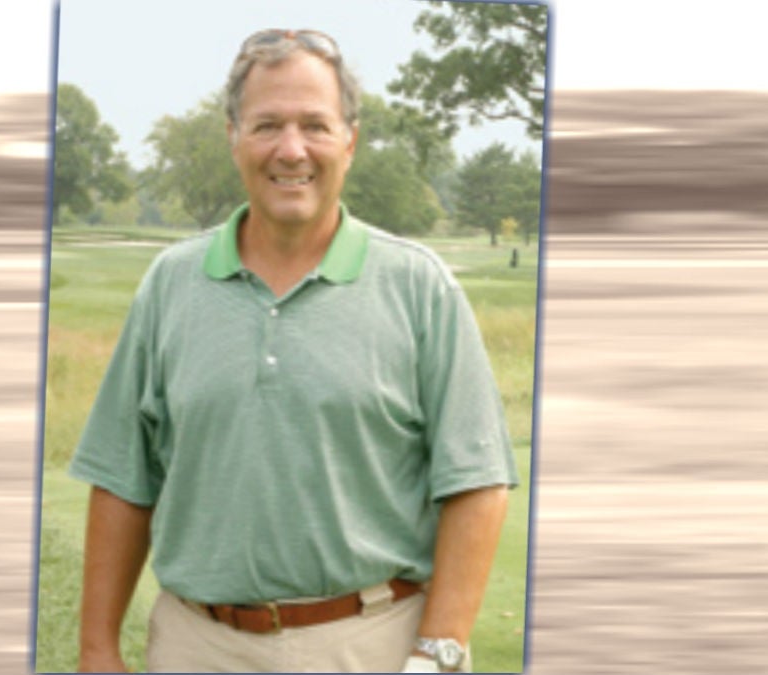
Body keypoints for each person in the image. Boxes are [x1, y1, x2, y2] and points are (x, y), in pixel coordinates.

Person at [68, 28, 519, 673]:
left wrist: (438, 652)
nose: (291, 149)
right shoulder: (170, 284)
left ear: (350, 140)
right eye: (267, 125)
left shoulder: (419, 286)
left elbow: (476, 481)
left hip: (375, 644)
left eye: (315, 124)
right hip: (198, 646)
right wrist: (97, 651)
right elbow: (122, 478)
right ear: (232, 137)